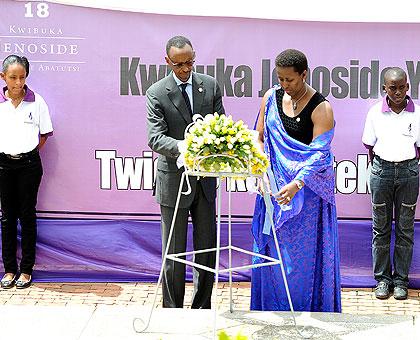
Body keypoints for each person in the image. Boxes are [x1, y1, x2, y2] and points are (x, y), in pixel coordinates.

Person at [251, 49, 341, 312]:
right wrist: (261, 171)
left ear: (304, 74)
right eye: (280, 79)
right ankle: (270, 313)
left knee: (299, 265)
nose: (284, 85)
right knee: (271, 256)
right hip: (273, 189)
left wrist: (296, 184)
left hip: (307, 198)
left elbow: (319, 155)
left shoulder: (322, 108)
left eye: (290, 80)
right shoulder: (271, 98)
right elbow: (259, 138)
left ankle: (304, 315)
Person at [146, 36, 225, 308]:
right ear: (167, 61)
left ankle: (202, 308)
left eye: (189, 62)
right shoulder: (157, 92)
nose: (184, 68)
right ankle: (172, 311)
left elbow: (221, 127)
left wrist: (214, 143)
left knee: (206, 250)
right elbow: (155, 138)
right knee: (174, 253)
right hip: (173, 183)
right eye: (178, 64)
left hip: (205, 183)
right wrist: (187, 147)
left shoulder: (210, 85)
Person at [362, 67, 419, 301]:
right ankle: (383, 280)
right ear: (384, 88)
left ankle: (401, 281)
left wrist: (407, 166)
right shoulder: (375, 112)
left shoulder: (417, 113)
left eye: (402, 87)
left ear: (408, 86)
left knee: (405, 230)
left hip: (408, 173)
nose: (397, 92)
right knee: (381, 229)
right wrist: (383, 168)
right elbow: (369, 145)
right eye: (392, 87)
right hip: (381, 172)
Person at [0, 55, 53, 289]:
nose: (18, 82)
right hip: (2, 165)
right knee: (7, 217)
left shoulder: (36, 101)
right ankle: (9, 269)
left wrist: (27, 154)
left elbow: (44, 135)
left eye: (22, 77)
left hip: (29, 166)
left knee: (27, 215)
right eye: (13, 77)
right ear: (3, 77)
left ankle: (26, 270)